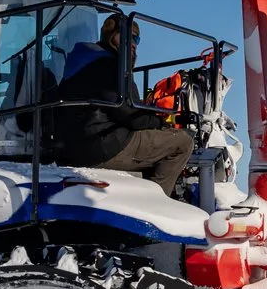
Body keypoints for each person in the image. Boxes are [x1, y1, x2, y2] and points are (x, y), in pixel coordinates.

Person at [50, 14, 198, 193]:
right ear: (111, 37)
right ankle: (156, 204)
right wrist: (162, 121)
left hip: (70, 149)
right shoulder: (112, 66)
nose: (133, 43)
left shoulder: (82, 63)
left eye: (136, 38)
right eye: (128, 36)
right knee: (182, 142)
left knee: (155, 142)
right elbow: (133, 117)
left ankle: (145, 192)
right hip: (100, 146)